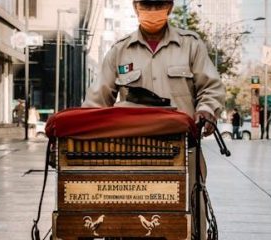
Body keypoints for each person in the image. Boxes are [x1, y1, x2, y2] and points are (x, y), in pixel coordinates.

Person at [82, 0, 225, 238]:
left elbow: (211, 88)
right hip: (132, 154)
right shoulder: (120, 50)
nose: (151, 12)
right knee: (132, 220)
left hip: (184, 151)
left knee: (190, 216)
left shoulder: (191, 45)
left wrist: (207, 110)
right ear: (135, 7)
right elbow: (97, 102)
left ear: (169, 7)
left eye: (157, 5)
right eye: (146, 5)